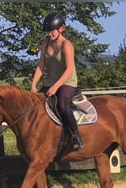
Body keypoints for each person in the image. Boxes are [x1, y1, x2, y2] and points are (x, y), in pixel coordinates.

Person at [31, 12, 83, 151]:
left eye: (52, 31)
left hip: (67, 83)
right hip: (50, 83)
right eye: (47, 32)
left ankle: (75, 136)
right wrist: (34, 85)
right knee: (35, 104)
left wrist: (55, 87)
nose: (49, 34)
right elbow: (40, 67)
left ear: (61, 29)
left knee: (62, 104)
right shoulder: (45, 44)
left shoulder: (67, 45)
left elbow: (69, 69)